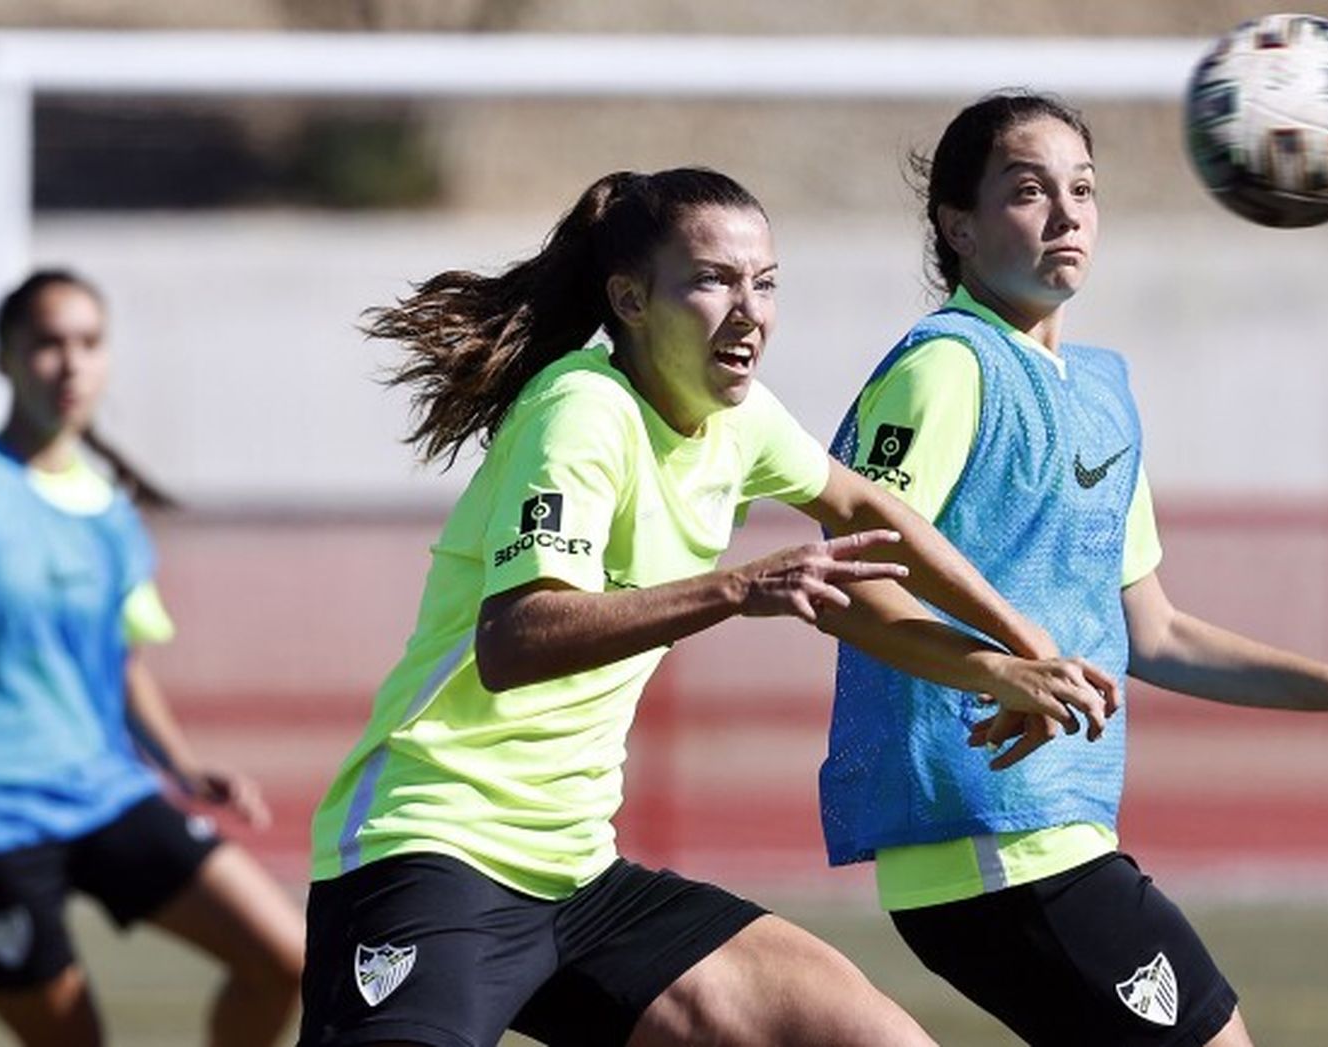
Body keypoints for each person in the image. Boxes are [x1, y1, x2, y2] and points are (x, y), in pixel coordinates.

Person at [299, 167, 1117, 1047]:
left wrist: (1024, 646)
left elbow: (871, 513)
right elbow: (516, 638)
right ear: (631, 299)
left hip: (577, 875)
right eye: (712, 280)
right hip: (431, 846)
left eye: (764, 284)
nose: (749, 311)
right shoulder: (580, 414)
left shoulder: (741, 421)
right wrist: (733, 588)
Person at [818, 91, 1328, 1047]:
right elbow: (847, 583)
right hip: (991, 835)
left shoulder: (1100, 390)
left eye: (1083, 189)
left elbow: (1153, 635)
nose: (1066, 213)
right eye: (1029, 191)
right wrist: (997, 670)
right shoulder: (947, 368)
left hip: (1059, 833)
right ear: (958, 226)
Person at [0, 269, 304, 1047]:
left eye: (88, 343)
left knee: (287, 956)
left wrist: (185, 768)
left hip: (107, 793)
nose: (70, 363)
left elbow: (119, 663)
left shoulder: (111, 510)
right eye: (48, 343)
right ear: (4, 358)